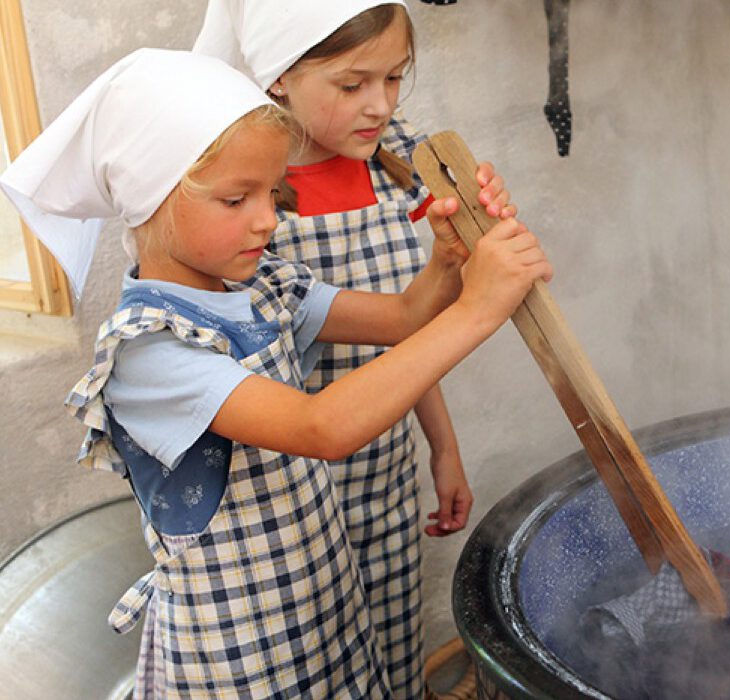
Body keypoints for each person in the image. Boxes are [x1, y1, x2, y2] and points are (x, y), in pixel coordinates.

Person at [0, 48, 550, 699]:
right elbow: (321, 428)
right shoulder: (148, 352)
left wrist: (451, 261)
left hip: (321, 608)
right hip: (238, 654)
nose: (267, 219)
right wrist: (480, 311)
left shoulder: (263, 285)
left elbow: (402, 317)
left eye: (273, 194)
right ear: (149, 201)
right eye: (238, 198)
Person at [193, 3, 515, 693]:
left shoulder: (396, 164)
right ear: (280, 78)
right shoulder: (245, 206)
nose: (380, 104)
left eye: (395, 78)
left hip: (385, 474)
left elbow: (405, 326)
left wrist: (444, 447)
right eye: (352, 85)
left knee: (389, 651)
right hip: (281, 488)